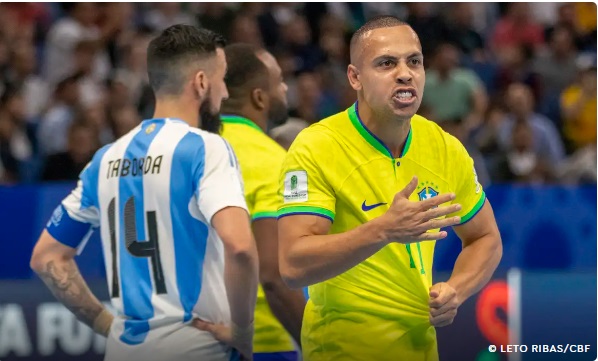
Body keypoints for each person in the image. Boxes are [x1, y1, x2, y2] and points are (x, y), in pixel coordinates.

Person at [277, 16, 502, 361]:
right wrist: (384, 230)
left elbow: (485, 238)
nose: (404, 73)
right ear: (355, 77)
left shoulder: (445, 148)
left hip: (421, 350)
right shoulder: (316, 147)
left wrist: (456, 289)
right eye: (386, 63)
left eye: (414, 61)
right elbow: (293, 266)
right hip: (341, 350)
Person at [30, 24, 259, 361]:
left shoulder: (106, 158)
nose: (224, 93)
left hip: (124, 350)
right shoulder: (205, 148)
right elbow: (240, 247)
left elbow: (46, 256)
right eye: (222, 79)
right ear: (200, 82)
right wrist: (243, 330)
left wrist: (105, 323)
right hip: (197, 347)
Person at [199, 43, 306, 361]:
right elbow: (273, 277)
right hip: (264, 341)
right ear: (260, 97)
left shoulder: (189, 150)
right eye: (279, 81)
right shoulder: (281, 162)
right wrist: (321, 346)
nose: (286, 88)